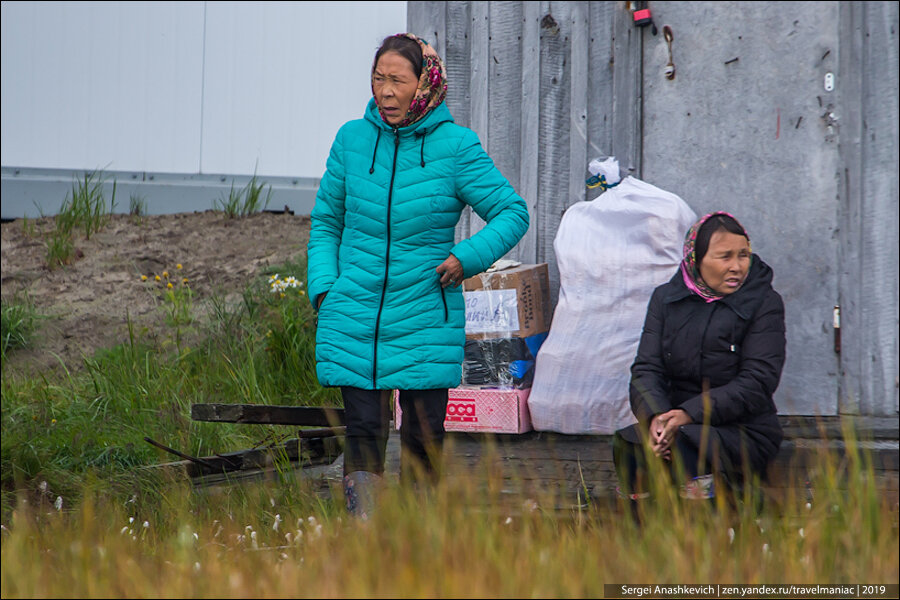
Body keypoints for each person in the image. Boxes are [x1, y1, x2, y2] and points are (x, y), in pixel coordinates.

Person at [307, 33, 529, 517]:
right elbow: (326, 220)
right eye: (378, 78)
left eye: (397, 80)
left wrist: (466, 258)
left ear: (424, 84)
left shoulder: (455, 147)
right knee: (363, 430)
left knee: (423, 435)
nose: (384, 91)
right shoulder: (352, 139)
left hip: (425, 312)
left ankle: (416, 540)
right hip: (355, 312)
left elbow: (512, 211)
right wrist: (325, 289)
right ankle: (365, 540)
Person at [613, 212, 786, 515]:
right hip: (676, 424)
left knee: (688, 443)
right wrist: (656, 418)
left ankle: (701, 533)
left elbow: (758, 381)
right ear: (696, 258)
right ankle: (640, 536)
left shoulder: (764, 303)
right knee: (630, 444)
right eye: (724, 256)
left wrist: (688, 415)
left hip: (743, 430)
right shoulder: (666, 299)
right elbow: (646, 369)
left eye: (743, 255)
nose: (737, 266)